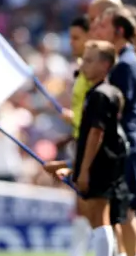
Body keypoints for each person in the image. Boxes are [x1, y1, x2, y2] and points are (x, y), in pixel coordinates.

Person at [54, 40, 130, 256]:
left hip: (100, 162)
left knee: (99, 218)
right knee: (98, 217)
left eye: (89, 60)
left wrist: (84, 169)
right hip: (108, 160)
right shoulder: (109, 92)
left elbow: (96, 132)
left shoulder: (99, 95)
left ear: (105, 65)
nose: (82, 65)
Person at [96, 7, 136, 256]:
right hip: (121, 146)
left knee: (126, 212)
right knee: (120, 212)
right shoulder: (122, 61)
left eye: (104, 26)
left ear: (120, 30)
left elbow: (118, 110)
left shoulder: (124, 65)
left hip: (123, 147)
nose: (98, 30)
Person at [50, 15, 94, 256]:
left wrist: (74, 120)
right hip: (80, 139)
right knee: (81, 205)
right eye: (70, 37)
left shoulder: (92, 69)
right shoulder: (80, 68)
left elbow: (95, 114)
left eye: (76, 37)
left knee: (91, 207)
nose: (71, 42)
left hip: (91, 142)